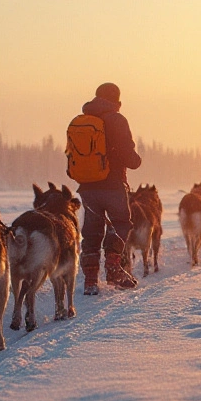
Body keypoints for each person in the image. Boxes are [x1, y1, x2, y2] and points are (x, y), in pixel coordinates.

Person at [73, 82, 143, 294]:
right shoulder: (117, 119)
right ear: (118, 102)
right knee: (121, 224)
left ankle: (91, 281)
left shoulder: (82, 120)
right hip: (112, 184)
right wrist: (136, 160)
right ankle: (113, 267)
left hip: (86, 187)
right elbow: (128, 156)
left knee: (92, 231)